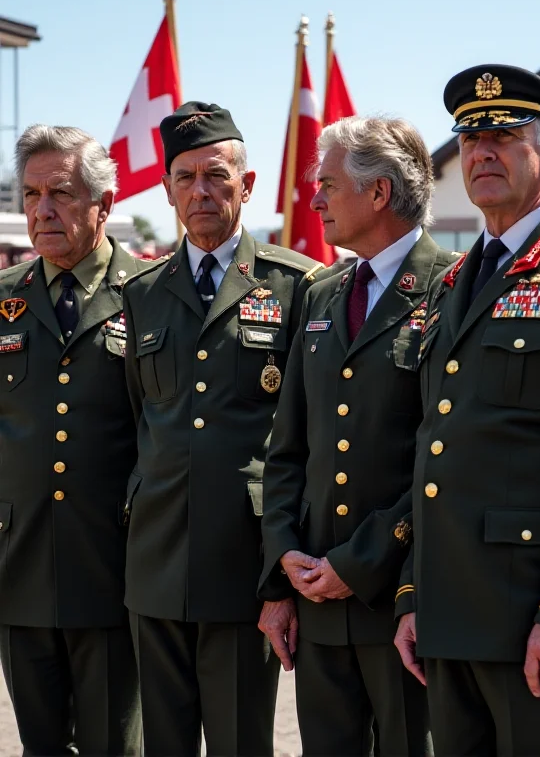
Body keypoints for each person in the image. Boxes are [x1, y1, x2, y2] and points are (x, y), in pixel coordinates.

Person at [393, 64, 540, 755]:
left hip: (536, 621)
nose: (481, 154)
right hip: (450, 616)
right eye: (471, 139)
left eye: (504, 137)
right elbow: (434, 447)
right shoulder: (453, 281)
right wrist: (414, 593)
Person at [122, 101, 324, 757]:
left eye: (216, 175)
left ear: (248, 183)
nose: (200, 191)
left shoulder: (297, 286)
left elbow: (307, 438)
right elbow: (139, 423)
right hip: (155, 567)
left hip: (245, 567)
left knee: (242, 744)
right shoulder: (144, 291)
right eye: (185, 178)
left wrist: (280, 577)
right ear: (167, 189)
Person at [258, 116, 456, 756]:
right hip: (316, 598)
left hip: (400, 598)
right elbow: (288, 445)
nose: (313, 200)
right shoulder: (323, 292)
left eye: (328, 185)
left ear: (379, 194)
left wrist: (361, 561)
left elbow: (445, 459)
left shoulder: (453, 288)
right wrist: (283, 560)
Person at [0, 125, 154, 755]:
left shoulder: (151, 296)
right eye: (31, 195)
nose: (42, 210)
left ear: (104, 204)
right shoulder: (5, 300)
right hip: (19, 568)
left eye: (60, 193)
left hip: (114, 568)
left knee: (114, 745)